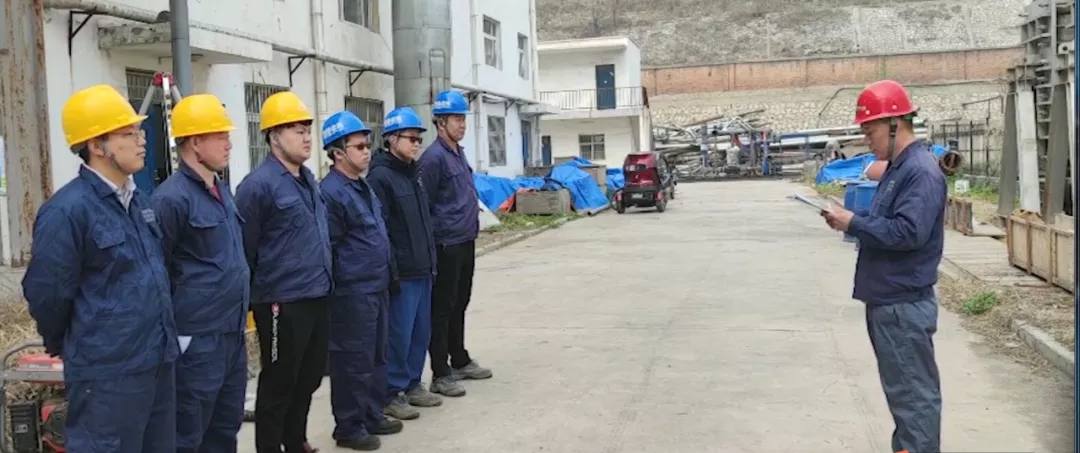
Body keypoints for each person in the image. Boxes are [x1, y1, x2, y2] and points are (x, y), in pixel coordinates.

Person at [22, 85, 178, 452]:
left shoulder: (138, 202)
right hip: (107, 373)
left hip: (156, 361)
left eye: (138, 131)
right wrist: (74, 343)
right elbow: (47, 293)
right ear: (96, 145)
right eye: (128, 133)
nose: (141, 140)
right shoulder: (67, 211)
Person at [820, 80, 945, 453]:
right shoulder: (898, 168)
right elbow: (889, 223)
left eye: (869, 131)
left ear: (895, 124)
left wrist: (854, 223)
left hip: (902, 305)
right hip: (890, 302)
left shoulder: (919, 172)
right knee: (905, 397)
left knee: (914, 400)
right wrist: (852, 220)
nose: (866, 140)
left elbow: (908, 233)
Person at [151, 94, 249, 453]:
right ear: (195, 142)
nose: (229, 143)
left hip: (231, 334)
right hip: (196, 339)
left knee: (225, 427)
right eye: (220, 135)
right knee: (188, 432)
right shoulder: (171, 199)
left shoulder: (220, 189)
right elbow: (156, 271)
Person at [236, 91, 333, 453]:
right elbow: (244, 249)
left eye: (308, 130)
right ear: (274, 136)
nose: (306, 137)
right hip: (280, 302)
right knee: (279, 380)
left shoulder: (307, 179)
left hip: (316, 294)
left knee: (309, 376)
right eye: (297, 130)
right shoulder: (257, 186)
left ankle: (294, 440)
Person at [319, 111, 403, 451]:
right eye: (359, 147)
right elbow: (331, 249)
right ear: (338, 153)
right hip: (352, 292)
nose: (367, 152)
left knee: (376, 357)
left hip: (376, 285)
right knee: (352, 360)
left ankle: (371, 413)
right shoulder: (331, 193)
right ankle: (349, 426)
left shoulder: (362, 186)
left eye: (367, 145)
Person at [366, 107, 443, 420]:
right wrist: (392, 271)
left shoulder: (414, 175)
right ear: (391, 139)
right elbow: (381, 229)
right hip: (403, 272)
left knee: (420, 333)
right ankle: (391, 392)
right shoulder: (380, 178)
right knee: (398, 336)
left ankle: (412, 383)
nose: (416, 144)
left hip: (423, 268)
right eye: (411, 139)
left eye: (419, 139)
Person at [418, 90, 492, 398]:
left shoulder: (457, 153)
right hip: (445, 244)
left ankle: (459, 358)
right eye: (456, 119)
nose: (462, 124)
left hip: (464, 240)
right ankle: (441, 372)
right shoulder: (433, 159)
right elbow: (424, 206)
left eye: (463, 119)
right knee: (442, 308)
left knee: (460, 302)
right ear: (440, 122)